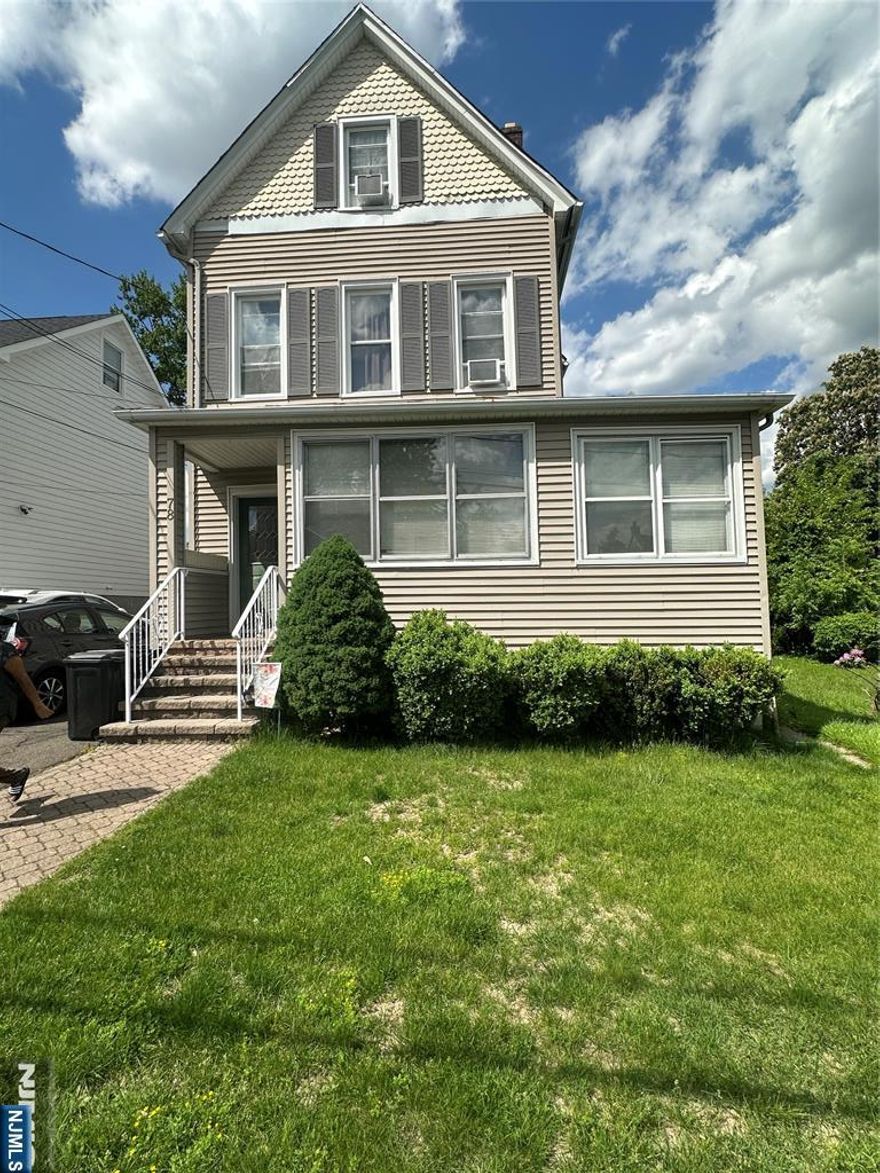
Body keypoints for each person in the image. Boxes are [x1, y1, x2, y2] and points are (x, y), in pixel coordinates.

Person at [0, 638, 53, 802]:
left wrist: (38, 704)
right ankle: (15, 777)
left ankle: (14, 777)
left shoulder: (3, 650)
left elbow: (22, 677)